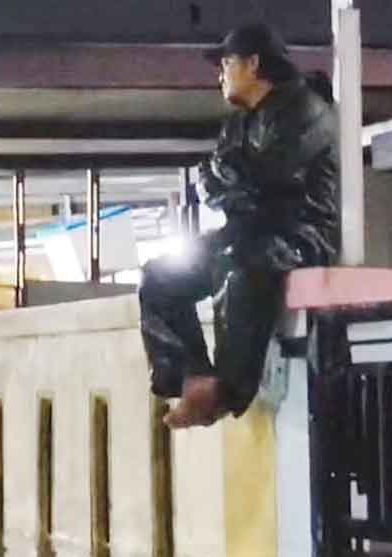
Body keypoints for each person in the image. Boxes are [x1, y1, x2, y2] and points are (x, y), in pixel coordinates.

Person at [139, 22, 339, 429]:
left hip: (300, 233)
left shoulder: (307, 108)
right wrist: (232, 179)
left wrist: (230, 177)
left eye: (226, 63)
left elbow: (266, 174)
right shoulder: (238, 124)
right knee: (159, 276)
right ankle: (192, 376)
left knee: (239, 263)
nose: (220, 75)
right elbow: (213, 184)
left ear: (253, 63)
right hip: (246, 231)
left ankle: (226, 392)